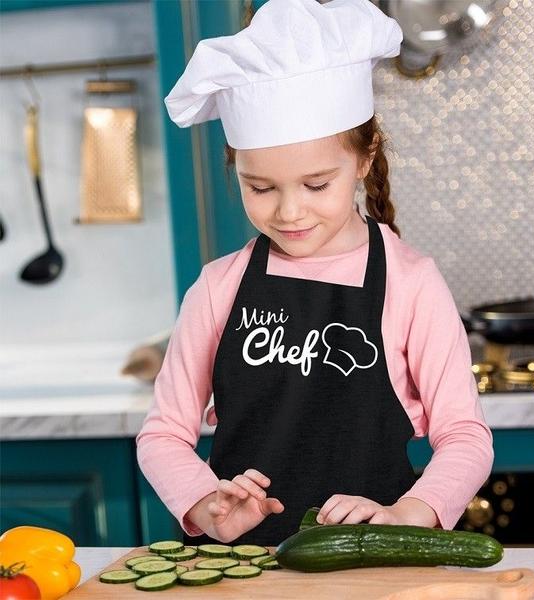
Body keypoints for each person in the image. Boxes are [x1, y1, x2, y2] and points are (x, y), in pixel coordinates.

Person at [136, 0, 494, 547]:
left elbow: (465, 435)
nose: (289, 212)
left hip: (372, 561)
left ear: (365, 159)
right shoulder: (218, 286)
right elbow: (162, 434)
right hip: (239, 568)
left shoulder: (411, 281)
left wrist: (411, 512)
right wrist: (205, 503)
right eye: (260, 187)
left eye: (316, 185)